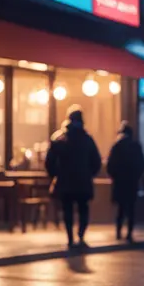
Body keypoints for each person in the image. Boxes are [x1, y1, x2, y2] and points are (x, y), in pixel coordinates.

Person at [46, 107, 102, 250]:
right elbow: (96, 161)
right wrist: (89, 173)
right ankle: (81, 236)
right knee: (83, 208)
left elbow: (49, 161)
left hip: (66, 181)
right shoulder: (87, 139)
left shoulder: (60, 138)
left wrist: (55, 175)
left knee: (67, 210)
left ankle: (70, 238)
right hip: (83, 181)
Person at [106, 122, 144, 243]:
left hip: (119, 182)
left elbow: (110, 165)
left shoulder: (116, 146)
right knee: (131, 208)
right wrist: (136, 176)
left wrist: (114, 176)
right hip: (132, 181)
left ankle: (118, 232)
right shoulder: (136, 146)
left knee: (120, 208)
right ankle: (129, 232)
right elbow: (142, 164)